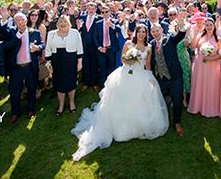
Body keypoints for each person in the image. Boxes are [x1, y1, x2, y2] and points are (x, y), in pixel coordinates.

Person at [71, 24, 169, 161]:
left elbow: (147, 64)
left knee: (141, 100)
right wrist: (129, 59)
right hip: (126, 74)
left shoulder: (148, 47)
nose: (141, 34)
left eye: (143, 32)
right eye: (139, 31)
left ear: (146, 34)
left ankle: (137, 126)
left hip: (141, 75)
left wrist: (150, 78)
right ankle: (120, 127)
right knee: (123, 100)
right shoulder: (128, 43)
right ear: (135, 33)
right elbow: (122, 58)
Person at [0, 10, 44, 123]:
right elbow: (4, 33)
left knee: (31, 88)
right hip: (16, 68)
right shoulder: (12, 32)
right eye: (17, 20)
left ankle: (31, 109)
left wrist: (38, 48)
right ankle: (15, 113)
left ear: (26, 20)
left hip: (30, 66)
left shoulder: (35, 32)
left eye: (22, 19)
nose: (20, 22)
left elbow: (42, 44)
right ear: (14, 22)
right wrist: (4, 19)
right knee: (14, 91)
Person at [150, 17, 187, 137]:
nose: (156, 33)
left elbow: (180, 36)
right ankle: (162, 121)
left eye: (157, 30)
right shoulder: (151, 44)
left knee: (177, 101)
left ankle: (177, 122)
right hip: (160, 78)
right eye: (153, 31)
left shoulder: (169, 39)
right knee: (160, 101)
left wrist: (181, 27)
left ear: (161, 30)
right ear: (151, 33)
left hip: (175, 77)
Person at [45, 15, 83, 115]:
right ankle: (61, 104)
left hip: (71, 60)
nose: (63, 24)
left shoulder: (74, 32)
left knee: (71, 81)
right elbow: (48, 49)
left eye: (65, 21)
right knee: (59, 82)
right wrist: (49, 63)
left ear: (69, 23)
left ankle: (71, 102)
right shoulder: (51, 34)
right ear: (57, 24)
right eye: (61, 22)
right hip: (57, 60)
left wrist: (80, 62)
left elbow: (79, 47)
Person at [188, 18, 221, 117]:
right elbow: (193, 46)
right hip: (200, 65)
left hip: (212, 66)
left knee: (211, 85)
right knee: (199, 84)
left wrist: (210, 58)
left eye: (210, 25)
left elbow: (220, 54)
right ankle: (197, 106)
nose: (209, 27)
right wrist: (194, 34)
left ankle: (209, 107)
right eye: (206, 25)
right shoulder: (200, 36)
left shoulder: (218, 39)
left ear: (214, 26)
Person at [94, 5, 122, 88]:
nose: (105, 13)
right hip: (102, 49)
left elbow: (119, 29)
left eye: (106, 11)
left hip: (111, 49)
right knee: (102, 68)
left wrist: (112, 25)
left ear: (110, 12)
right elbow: (95, 37)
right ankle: (102, 87)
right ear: (101, 14)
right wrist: (99, 47)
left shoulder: (114, 21)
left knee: (111, 68)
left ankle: (112, 86)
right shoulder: (98, 23)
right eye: (103, 12)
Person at [77, 2, 102, 92]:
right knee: (86, 64)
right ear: (87, 9)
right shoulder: (82, 18)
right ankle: (86, 82)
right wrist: (79, 27)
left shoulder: (99, 18)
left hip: (95, 45)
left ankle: (95, 83)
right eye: (89, 9)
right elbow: (79, 30)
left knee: (95, 64)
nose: (91, 11)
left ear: (95, 9)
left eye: (93, 9)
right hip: (84, 45)